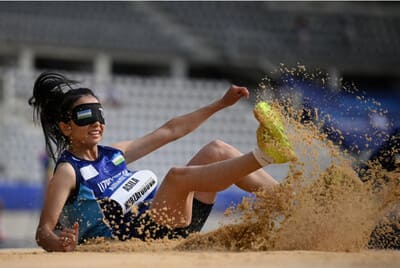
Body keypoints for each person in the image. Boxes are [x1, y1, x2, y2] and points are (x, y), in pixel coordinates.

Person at [29, 72, 297, 252]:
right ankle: (265, 155)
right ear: (66, 127)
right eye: (85, 116)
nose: (97, 122)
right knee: (176, 177)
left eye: (100, 114)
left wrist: (220, 104)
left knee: (217, 149)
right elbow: (43, 231)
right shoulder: (67, 172)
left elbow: (169, 131)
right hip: (141, 238)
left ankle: (296, 204)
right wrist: (58, 243)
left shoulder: (113, 154)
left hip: (169, 223)